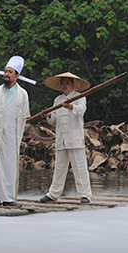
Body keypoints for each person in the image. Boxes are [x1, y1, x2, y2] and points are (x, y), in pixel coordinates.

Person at [0, 56, 30, 207]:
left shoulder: (23, 94)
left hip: (12, 135)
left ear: (17, 75)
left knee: (10, 166)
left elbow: (23, 118)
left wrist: (18, 137)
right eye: (5, 71)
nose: (6, 74)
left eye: (10, 72)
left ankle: (9, 198)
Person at [39, 72, 92, 204]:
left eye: (67, 83)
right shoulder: (57, 100)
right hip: (61, 139)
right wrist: (49, 115)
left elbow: (80, 111)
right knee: (59, 168)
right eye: (62, 83)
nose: (64, 85)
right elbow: (54, 120)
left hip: (74, 138)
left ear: (73, 84)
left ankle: (85, 195)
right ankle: (53, 194)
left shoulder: (80, 97)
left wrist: (70, 106)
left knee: (80, 167)